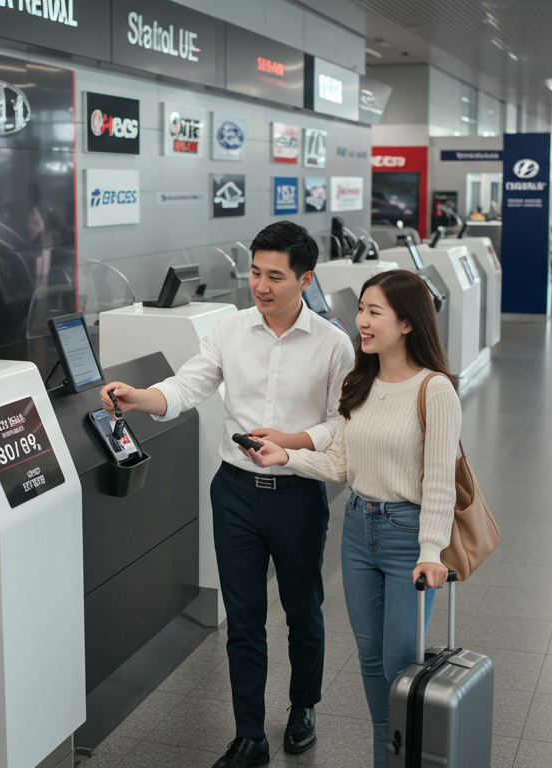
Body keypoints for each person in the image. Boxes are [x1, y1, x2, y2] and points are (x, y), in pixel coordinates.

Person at [101, 221, 355, 768]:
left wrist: (291, 441)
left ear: (305, 279)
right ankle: (249, 735)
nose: (261, 286)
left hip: (297, 493)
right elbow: (188, 385)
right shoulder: (230, 330)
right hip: (234, 494)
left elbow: (342, 423)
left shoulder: (333, 344)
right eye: (255, 273)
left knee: (303, 610)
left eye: (275, 276)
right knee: (243, 618)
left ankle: (303, 706)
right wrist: (141, 397)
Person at [240, 269, 460, 768]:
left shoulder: (435, 390)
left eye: (374, 312)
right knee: (370, 659)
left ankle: (398, 755)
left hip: (408, 535)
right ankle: (389, 752)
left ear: (408, 323)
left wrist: (431, 551)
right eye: (361, 308)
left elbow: (439, 481)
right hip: (358, 530)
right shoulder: (361, 381)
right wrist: (286, 457)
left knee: (400, 663)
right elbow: (341, 463)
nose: (361, 321)